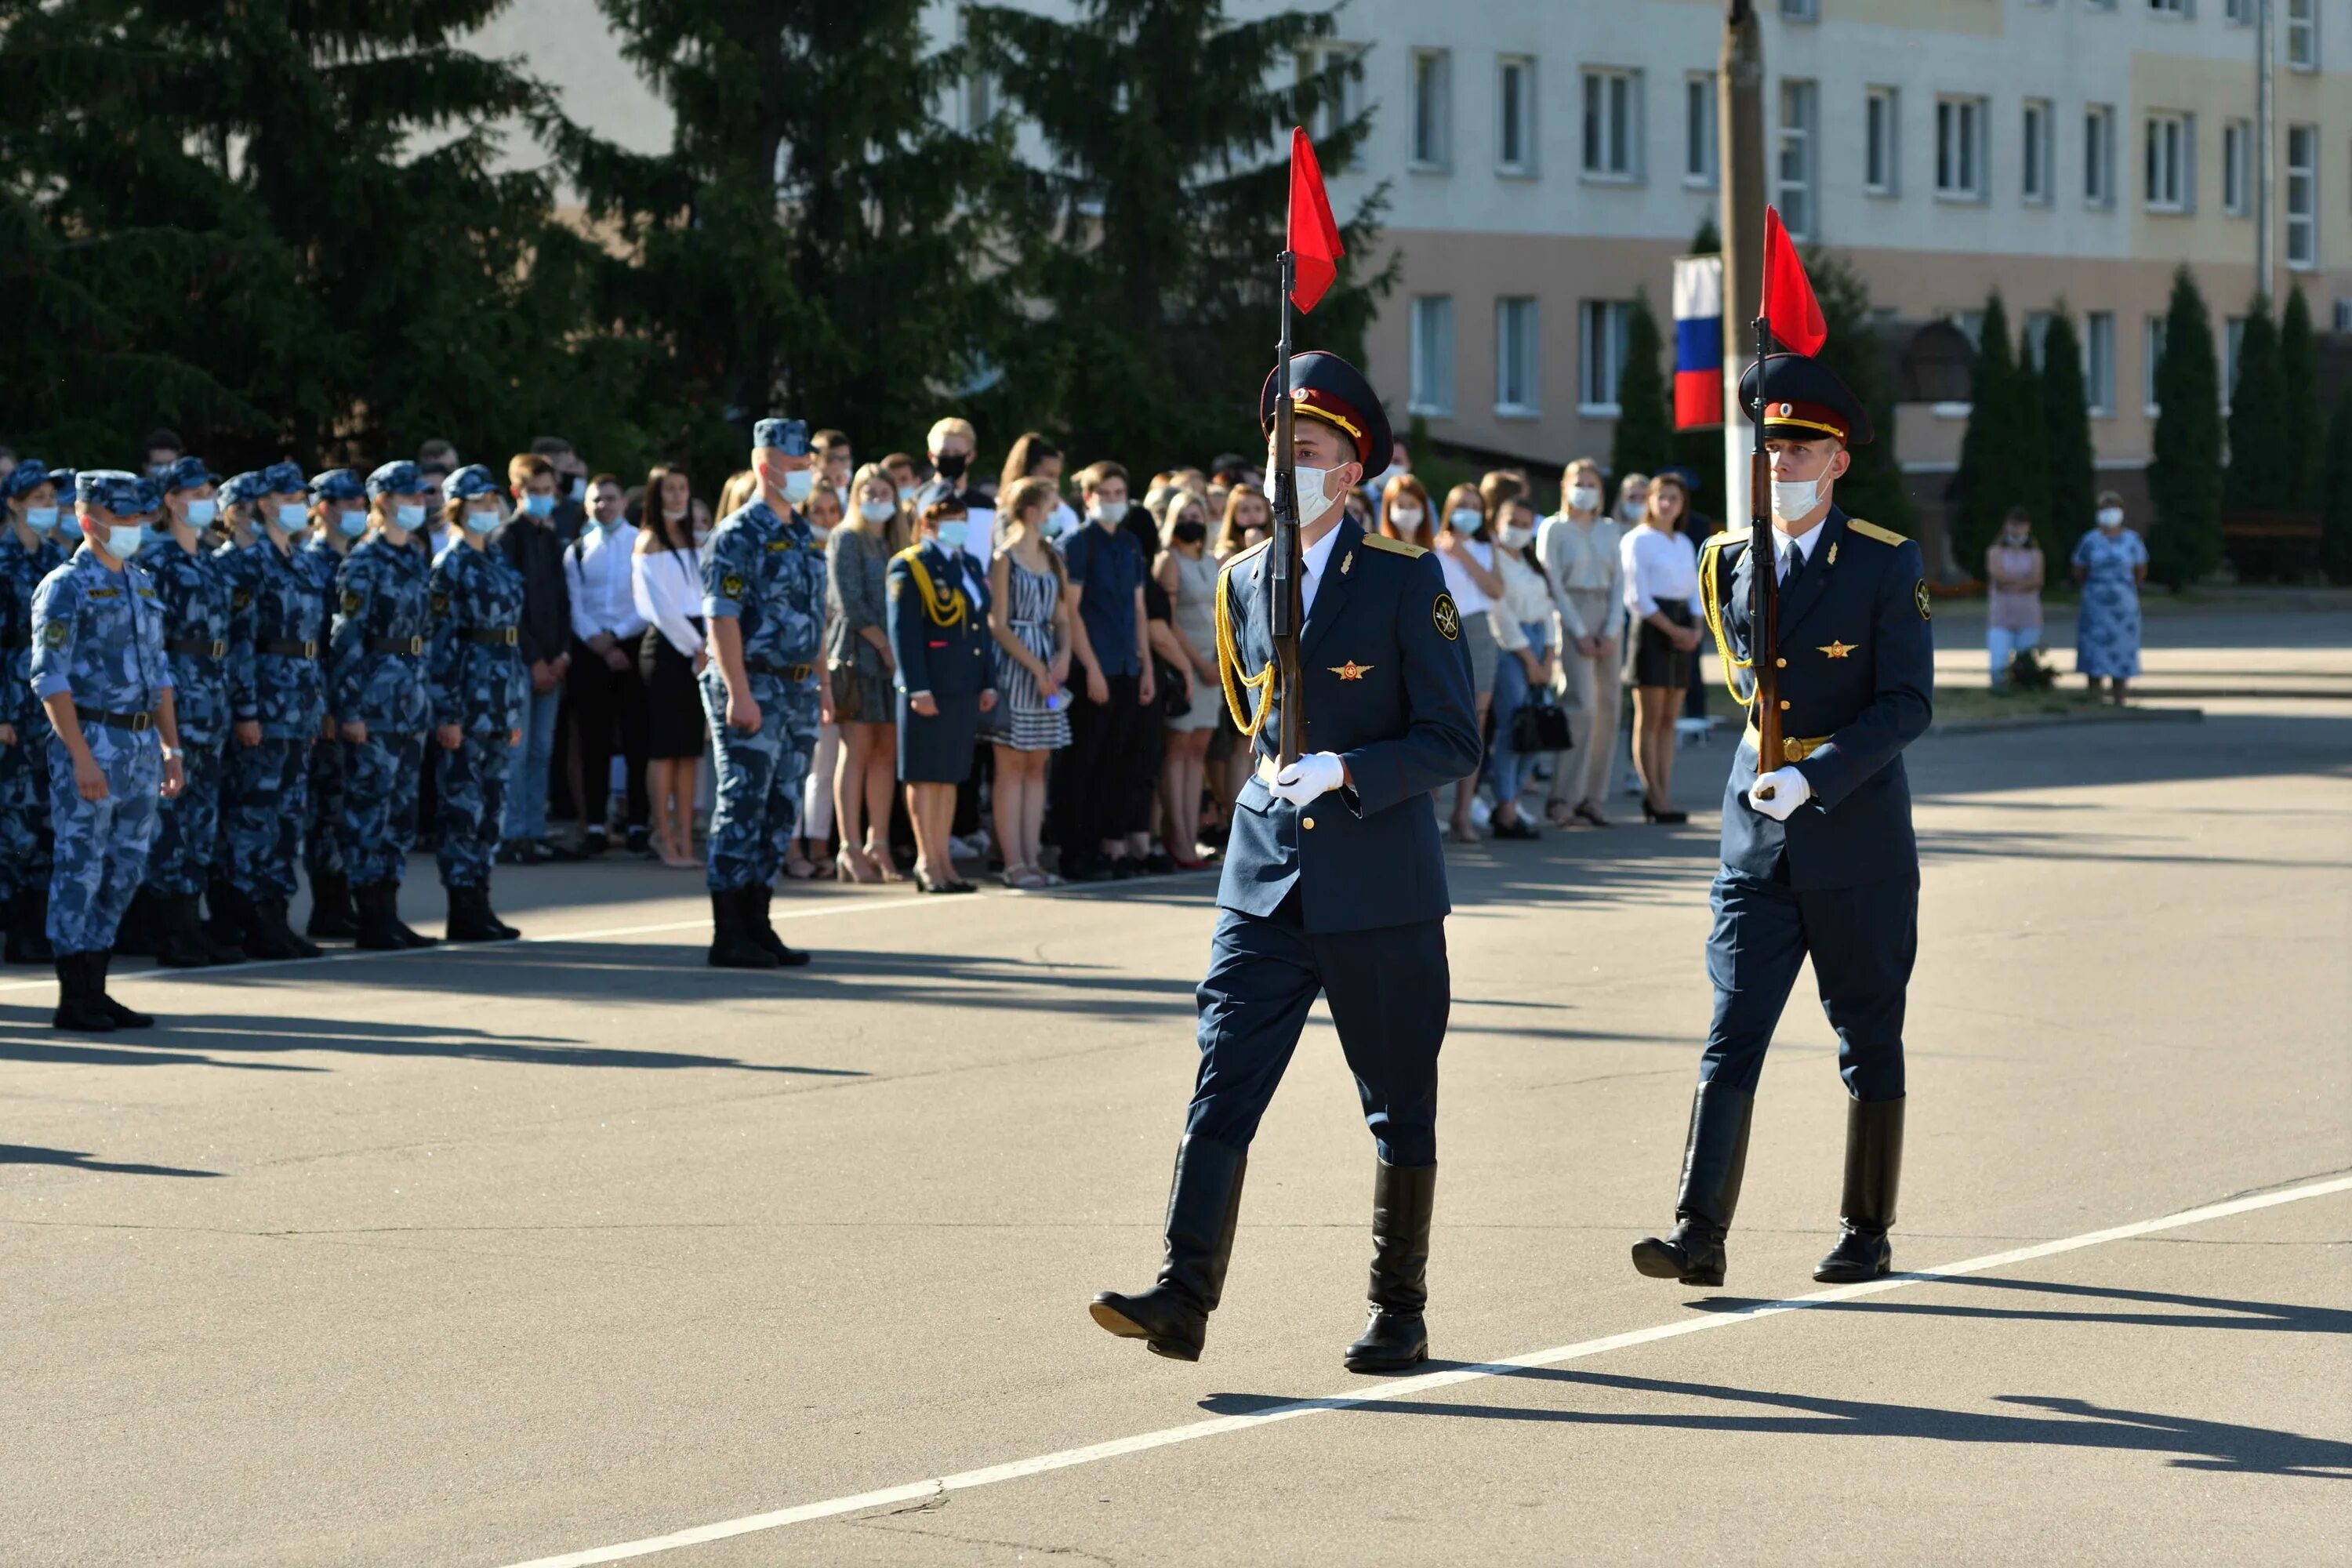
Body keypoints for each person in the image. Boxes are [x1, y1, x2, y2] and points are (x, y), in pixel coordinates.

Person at [1090, 350, 1479, 1373]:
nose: (1286, 469)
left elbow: (1452, 739)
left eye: (1304, 452)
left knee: (1399, 1102)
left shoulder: (1405, 579)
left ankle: (1400, 1308)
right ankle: (1184, 1294)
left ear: (1351, 471)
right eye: (1278, 451)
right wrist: (1271, 777)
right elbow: (1252, 713)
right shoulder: (1237, 579)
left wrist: (1349, 769)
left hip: (1380, 886)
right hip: (1265, 878)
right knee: (1222, 1082)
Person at [1632, 351, 1933, 1291]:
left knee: (1866, 1036)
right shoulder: (1732, 556)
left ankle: (1866, 1226)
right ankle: (1698, 1230)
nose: (1783, 464)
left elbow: (1906, 703)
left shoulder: (1885, 560)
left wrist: (1821, 775)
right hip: (1756, 836)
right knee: (1733, 1027)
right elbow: (1753, 677)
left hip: (1854, 836)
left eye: (1802, 450)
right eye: (1772, 449)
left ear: (1839, 460)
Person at [32, 470, 187, 1032]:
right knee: (80, 867)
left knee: (126, 866)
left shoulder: (141, 583)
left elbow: (161, 673)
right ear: (87, 520)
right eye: (122, 518)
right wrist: (79, 756)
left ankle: (97, 984)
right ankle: (74, 993)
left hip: (143, 742)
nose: (133, 527)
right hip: (93, 738)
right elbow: (50, 678)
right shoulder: (65, 586)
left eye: (138, 518)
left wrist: (173, 748)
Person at [699, 416, 826, 969]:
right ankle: (729, 931)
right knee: (743, 803)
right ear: (764, 466)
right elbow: (722, 619)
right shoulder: (736, 535)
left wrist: (820, 682)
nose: (803, 476)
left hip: (797, 688)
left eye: (806, 467)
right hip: (753, 682)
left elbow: (813, 616)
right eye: (794, 467)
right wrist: (738, 693)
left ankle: (759, 920)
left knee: (780, 808)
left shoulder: (801, 531)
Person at [216, 462, 332, 960]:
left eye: (302, 496)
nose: (298, 504)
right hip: (264, 704)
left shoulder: (303, 561)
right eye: (287, 496)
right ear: (264, 503)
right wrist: (246, 710)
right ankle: (246, 919)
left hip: (298, 707)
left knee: (288, 817)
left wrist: (317, 705)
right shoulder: (246, 563)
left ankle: (277, 916)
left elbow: (314, 644)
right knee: (253, 816)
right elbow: (239, 644)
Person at [132, 456, 242, 966]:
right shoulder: (157, 562)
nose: (205, 499)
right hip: (176, 702)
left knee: (201, 817)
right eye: (194, 491)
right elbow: (148, 647)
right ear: (170, 500)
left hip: (212, 703)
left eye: (208, 490)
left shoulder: (211, 560)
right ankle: (169, 930)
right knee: (171, 819)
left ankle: (190, 921)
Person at [328, 461, 439, 950]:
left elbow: (424, 636)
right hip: (374, 702)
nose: (418, 504)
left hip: (409, 702)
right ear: (383, 502)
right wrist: (349, 710)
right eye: (409, 497)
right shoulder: (362, 563)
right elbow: (347, 641)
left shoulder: (415, 557)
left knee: (400, 812)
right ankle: (370, 914)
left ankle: (390, 910)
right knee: (368, 810)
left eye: (421, 497)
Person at [426, 466, 528, 942]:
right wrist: (446, 712)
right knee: (462, 807)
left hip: (500, 700)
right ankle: (462, 905)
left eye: (492, 502)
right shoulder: (450, 567)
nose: (488, 511)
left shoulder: (500, 560)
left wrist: (512, 710)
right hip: (466, 702)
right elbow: (436, 645)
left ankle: (482, 899)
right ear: (457, 511)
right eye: (478, 504)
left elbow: (511, 640)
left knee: (492, 806)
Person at [888, 495, 997, 893]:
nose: (957, 525)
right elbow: (904, 633)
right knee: (924, 774)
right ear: (927, 523)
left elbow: (979, 630)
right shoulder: (911, 565)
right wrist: (916, 686)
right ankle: (927, 860)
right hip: (929, 685)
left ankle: (945, 862)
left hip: (962, 685)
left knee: (950, 776)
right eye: (948, 519)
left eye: (962, 519)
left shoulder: (967, 564)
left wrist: (987, 680)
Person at [1054, 461, 1156, 881]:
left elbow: (1138, 609)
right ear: (1088, 498)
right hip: (1091, 667)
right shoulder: (1076, 543)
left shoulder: (1131, 543)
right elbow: (1070, 611)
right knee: (1083, 765)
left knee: (1118, 762)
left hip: (1127, 666)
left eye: (1119, 494)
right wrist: (1092, 668)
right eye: (1105, 494)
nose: (1113, 502)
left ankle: (1107, 849)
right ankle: (1076, 852)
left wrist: (1147, 666)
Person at [1, 460, 74, 963]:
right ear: (15, 504)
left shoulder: (55, 558)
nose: (50, 508)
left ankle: (39, 923)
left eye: (53, 499)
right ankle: (18, 927)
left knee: (48, 815)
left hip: (50, 704)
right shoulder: (3, 560)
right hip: (13, 704)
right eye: (40, 499)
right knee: (15, 819)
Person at [985, 476, 1073, 890]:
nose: (1056, 513)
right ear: (1033, 510)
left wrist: (1064, 655)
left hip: (1048, 668)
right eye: (1051, 505)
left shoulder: (1053, 555)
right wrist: (1037, 668)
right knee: (1011, 766)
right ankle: (1013, 862)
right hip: (1016, 668)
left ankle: (1032, 859)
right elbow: (997, 625)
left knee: (1038, 765)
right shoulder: (1004, 558)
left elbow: (1062, 617)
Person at [563, 467, 650, 857]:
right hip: (591, 650)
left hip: (631, 647)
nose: (604, 505)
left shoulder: (641, 543)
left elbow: (647, 602)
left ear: (624, 503)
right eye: (597, 499)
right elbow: (575, 604)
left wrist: (617, 637)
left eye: (611, 498)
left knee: (637, 740)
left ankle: (637, 824)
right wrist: (598, 641)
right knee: (593, 739)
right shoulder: (578, 549)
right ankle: (595, 824)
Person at [825, 463, 905, 884]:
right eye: (868, 492)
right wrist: (886, 646)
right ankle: (849, 846)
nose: (876, 500)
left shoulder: (898, 542)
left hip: (895, 662)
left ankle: (880, 843)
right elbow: (848, 602)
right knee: (855, 751)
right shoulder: (846, 538)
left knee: (886, 754)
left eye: (883, 492)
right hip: (859, 655)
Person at [1537, 456, 1626, 829]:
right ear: (1564, 487)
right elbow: (1553, 583)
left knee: (1608, 708)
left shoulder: (1609, 529)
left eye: (1592, 484)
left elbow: (1620, 580)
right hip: (1572, 614)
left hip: (1607, 614)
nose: (1585, 490)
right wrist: (1578, 630)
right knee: (1581, 707)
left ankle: (1593, 796)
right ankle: (1563, 794)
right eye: (1579, 483)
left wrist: (1610, 627)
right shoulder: (1553, 529)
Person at [493, 452, 572, 864]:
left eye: (548, 491)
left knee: (542, 751)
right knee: (518, 752)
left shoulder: (551, 537)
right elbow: (512, 607)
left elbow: (560, 602)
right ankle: (513, 833)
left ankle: (535, 830)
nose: (544, 498)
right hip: (522, 661)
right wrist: (535, 658)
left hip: (552, 661)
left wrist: (561, 654)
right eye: (535, 492)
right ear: (517, 492)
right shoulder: (508, 537)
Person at [300, 468, 368, 941]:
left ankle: (341, 901)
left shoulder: (356, 560)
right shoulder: (314, 562)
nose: (358, 513)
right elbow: (319, 643)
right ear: (324, 509)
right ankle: (327, 903)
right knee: (326, 807)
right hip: (328, 700)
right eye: (349, 504)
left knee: (345, 805)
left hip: (357, 695)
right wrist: (325, 703)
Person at [633, 466, 710, 869]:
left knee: (689, 750)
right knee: (665, 748)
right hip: (669, 647)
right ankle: (663, 835)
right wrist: (696, 646)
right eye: (670, 490)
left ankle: (684, 838)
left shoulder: (693, 539)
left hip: (698, 645)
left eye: (683, 488)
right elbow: (657, 607)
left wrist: (707, 644)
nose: (678, 497)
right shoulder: (649, 542)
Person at [1621, 470, 1703, 824]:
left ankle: (1664, 791)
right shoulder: (1638, 539)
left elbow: (1695, 590)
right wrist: (1672, 629)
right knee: (1650, 717)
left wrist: (1696, 628)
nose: (1668, 504)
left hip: (1683, 626)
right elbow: (1636, 596)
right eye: (1662, 497)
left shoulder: (1683, 542)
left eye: (1675, 498)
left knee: (1670, 718)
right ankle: (1652, 793)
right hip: (1654, 626)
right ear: (1651, 501)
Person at [1432, 481, 1504, 842]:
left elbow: (1496, 589)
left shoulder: (1486, 547)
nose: (1469, 512)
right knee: (1437, 717)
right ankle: (1431, 809)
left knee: (1476, 722)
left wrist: (1464, 553)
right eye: (1463, 505)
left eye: (1476, 506)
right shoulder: (1432, 545)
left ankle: (1464, 812)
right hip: (1442, 627)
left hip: (1479, 629)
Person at [1153, 487, 1222, 869]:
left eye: (1198, 517)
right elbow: (1170, 620)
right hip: (1185, 667)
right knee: (1178, 750)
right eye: (1185, 517)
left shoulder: (1211, 560)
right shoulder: (1169, 560)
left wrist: (1220, 663)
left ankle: (1191, 836)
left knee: (1197, 754)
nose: (1192, 524)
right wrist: (1197, 664)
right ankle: (1177, 836)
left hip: (1213, 667)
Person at [1483, 495, 1555, 840]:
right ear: (1497, 520)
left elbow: (1548, 608)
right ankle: (1506, 806)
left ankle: (1513, 799)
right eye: (1513, 521)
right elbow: (1501, 614)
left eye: (1526, 525)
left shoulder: (1532, 562)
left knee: (1539, 728)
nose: (1519, 530)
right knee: (1513, 726)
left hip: (1540, 643)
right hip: (1511, 648)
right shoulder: (1493, 559)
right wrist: (1529, 659)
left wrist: (1550, 656)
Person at [787, 481, 844, 881]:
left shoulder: (843, 556)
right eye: (817, 512)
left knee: (825, 768)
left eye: (832, 512)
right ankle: (790, 850)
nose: (826, 520)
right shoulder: (797, 556)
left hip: (833, 671)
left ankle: (821, 844)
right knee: (794, 767)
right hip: (796, 671)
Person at [2071, 492, 2147, 704]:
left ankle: (2119, 697)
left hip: (2123, 607)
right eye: (2104, 509)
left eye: (2113, 508)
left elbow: (2140, 570)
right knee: (2094, 650)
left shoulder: (2132, 540)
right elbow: (2079, 570)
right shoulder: (2090, 540)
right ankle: (2094, 697)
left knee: (2121, 649)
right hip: (2095, 605)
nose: (2109, 514)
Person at [1985, 506, 2046, 691]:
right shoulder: (1995, 552)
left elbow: (2037, 580)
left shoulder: (2036, 554)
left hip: (2028, 615)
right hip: (2001, 616)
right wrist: (2023, 582)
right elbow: (1998, 577)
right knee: (1999, 659)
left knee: (2025, 658)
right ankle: (2000, 688)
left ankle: (2023, 687)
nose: (2016, 530)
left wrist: (2013, 583)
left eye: (2021, 526)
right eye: (2013, 525)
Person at [1000, 431, 1080, 540]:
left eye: (1057, 476)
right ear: (1028, 473)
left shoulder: (1065, 515)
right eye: (1049, 475)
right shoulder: (1005, 517)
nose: (1055, 483)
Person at [812, 429, 854, 515]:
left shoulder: (857, 507)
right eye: (831, 459)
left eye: (845, 458)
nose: (840, 466)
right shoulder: (799, 505)